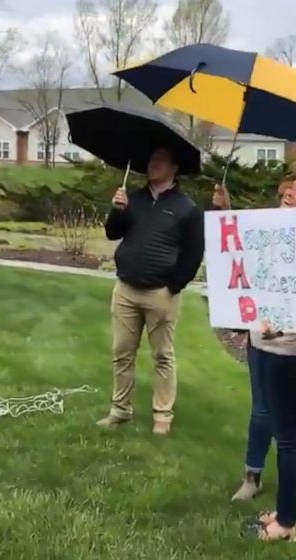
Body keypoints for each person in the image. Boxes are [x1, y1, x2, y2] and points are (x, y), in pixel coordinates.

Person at [214, 174, 296, 542]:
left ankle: (286, 524)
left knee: (289, 438)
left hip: (289, 351)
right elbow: (239, 258)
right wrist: (225, 213)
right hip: (263, 346)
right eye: (289, 188)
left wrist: (279, 328)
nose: (289, 194)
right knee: (279, 429)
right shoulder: (272, 232)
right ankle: (283, 512)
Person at [96, 147, 205, 436]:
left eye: (159, 161)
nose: (152, 165)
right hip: (126, 289)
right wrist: (118, 210)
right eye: (151, 160)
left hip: (161, 294)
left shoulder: (187, 209)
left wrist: (174, 285)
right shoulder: (134, 198)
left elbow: (194, 254)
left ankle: (162, 415)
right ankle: (120, 411)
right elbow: (112, 233)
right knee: (122, 353)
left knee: (163, 357)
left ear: (174, 168)